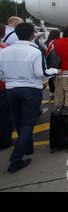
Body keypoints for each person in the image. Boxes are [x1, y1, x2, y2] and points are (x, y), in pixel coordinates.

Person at [0, 23, 61, 172]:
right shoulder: (34, 52)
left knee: (19, 121)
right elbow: (41, 73)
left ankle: (28, 147)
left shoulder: (5, 51)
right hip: (30, 90)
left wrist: (11, 80)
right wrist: (56, 70)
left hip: (11, 90)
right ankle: (16, 159)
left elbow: (1, 74)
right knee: (28, 123)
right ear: (33, 34)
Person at [0, 24, 13, 150]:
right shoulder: (4, 51)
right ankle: (5, 141)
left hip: (6, 86)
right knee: (4, 115)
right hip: (3, 88)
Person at [44, 29, 61, 98]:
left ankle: (52, 91)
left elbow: (47, 52)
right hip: (55, 60)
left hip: (49, 61)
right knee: (55, 77)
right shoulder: (55, 42)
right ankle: (55, 91)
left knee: (51, 77)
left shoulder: (47, 42)